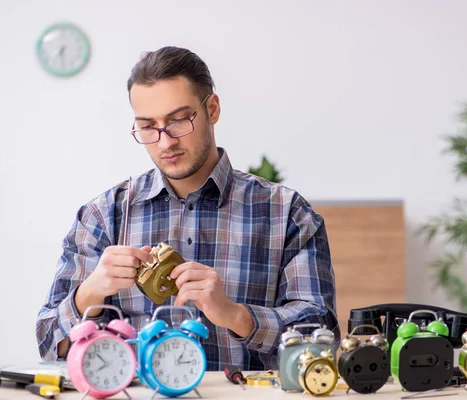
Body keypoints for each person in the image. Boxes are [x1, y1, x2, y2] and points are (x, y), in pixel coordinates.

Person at [36, 46, 339, 371]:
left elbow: (323, 339)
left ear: (212, 108)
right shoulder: (103, 216)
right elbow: (49, 343)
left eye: (179, 120)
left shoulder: (286, 213)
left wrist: (236, 316)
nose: (165, 142)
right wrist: (90, 293)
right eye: (148, 127)